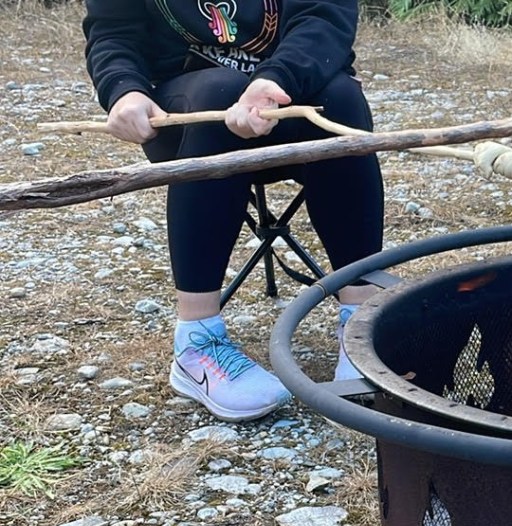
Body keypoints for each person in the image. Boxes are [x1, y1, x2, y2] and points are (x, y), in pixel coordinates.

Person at [82, 0, 384, 422]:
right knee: (219, 89)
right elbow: (113, 30)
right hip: (190, 113)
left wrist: (274, 79)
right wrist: (123, 89)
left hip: (290, 92)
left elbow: (324, 16)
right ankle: (196, 343)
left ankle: (361, 326)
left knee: (341, 95)